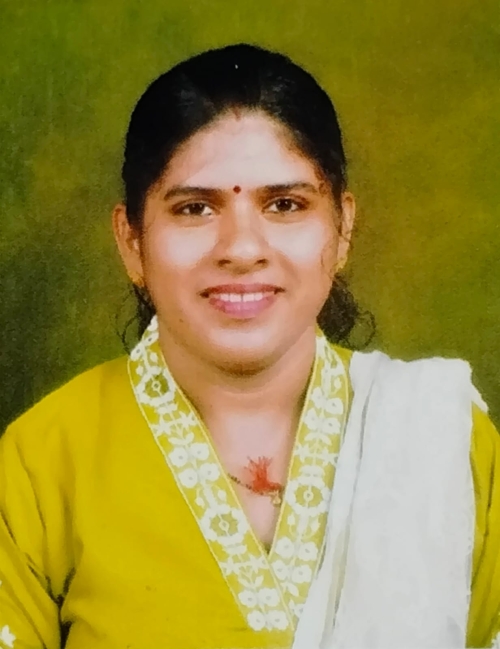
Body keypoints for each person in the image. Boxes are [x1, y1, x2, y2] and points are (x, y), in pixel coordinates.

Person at [0, 43, 498, 649]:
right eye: (195, 208)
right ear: (131, 241)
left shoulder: (444, 441)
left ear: (343, 229)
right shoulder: (41, 462)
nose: (241, 248)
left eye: (285, 205)